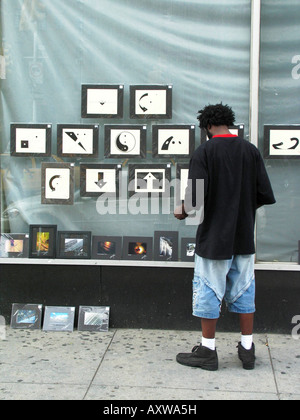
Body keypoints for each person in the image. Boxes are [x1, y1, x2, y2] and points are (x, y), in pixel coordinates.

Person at [174, 103, 276, 371]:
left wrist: (181, 212)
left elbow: (194, 201)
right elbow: (264, 194)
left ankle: (207, 352)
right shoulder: (250, 151)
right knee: (244, 291)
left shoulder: (205, 152)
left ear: (207, 126)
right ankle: (247, 348)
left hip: (213, 239)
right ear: (229, 123)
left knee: (208, 290)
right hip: (243, 237)